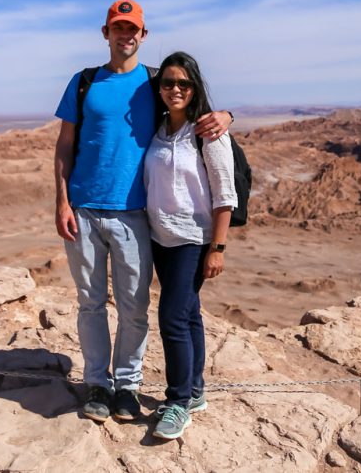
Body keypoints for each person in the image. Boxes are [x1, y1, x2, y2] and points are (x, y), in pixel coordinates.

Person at [53, 0, 232, 424]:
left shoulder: (154, 84)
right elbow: (63, 145)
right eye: (118, 27)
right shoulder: (83, 82)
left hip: (135, 215)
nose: (126, 35)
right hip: (84, 210)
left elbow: (193, 106)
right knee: (90, 304)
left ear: (143, 35)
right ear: (106, 33)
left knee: (134, 308)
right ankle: (98, 382)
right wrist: (61, 200)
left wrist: (227, 114)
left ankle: (128, 386)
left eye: (133, 28)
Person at [143, 50, 237, 440]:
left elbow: (224, 195)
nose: (175, 89)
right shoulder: (158, 127)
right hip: (159, 238)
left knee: (172, 318)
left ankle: (178, 402)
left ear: (194, 86)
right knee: (189, 313)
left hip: (192, 241)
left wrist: (218, 248)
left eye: (183, 83)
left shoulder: (208, 133)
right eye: (168, 83)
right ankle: (195, 392)